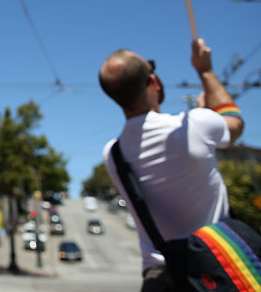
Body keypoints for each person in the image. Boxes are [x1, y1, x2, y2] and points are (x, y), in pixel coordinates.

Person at [99, 38, 244, 291]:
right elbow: (234, 123)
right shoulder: (195, 125)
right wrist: (205, 71)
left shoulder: (112, 154)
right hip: (215, 267)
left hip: (160, 278)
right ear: (153, 81)